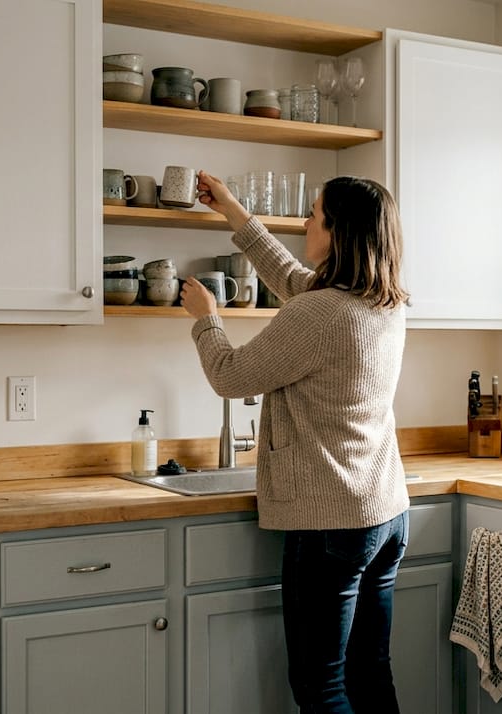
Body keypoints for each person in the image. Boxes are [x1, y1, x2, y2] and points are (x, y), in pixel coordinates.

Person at [180, 170, 411, 713]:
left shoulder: (322, 313)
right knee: (370, 672)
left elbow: (231, 377)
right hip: (385, 514)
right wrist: (232, 211)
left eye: (313, 215)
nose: (305, 222)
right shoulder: (383, 302)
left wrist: (207, 321)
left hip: (331, 520)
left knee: (320, 685)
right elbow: (292, 279)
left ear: (337, 232)